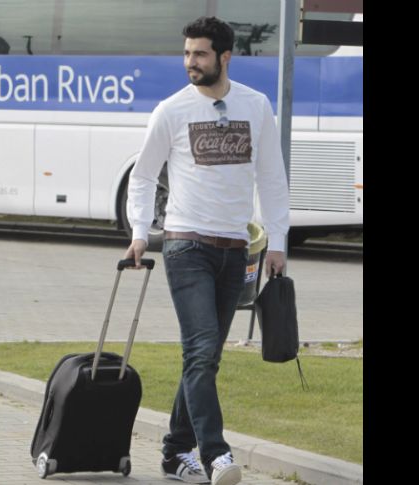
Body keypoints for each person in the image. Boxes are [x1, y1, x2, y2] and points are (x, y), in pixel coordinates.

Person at [123, 16, 289, 485]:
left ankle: (175, 452)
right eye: (187, 54)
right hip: (186, 246)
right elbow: (142, 175)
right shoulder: (171, 111)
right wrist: (140, 230)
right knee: (200, 350)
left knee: (206, 356)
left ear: (225, 57)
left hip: (236, 251)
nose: (190, 63)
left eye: (199, 54)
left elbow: (272, 178)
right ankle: (216, 454)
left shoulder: (255, 106)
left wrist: (276, 241)